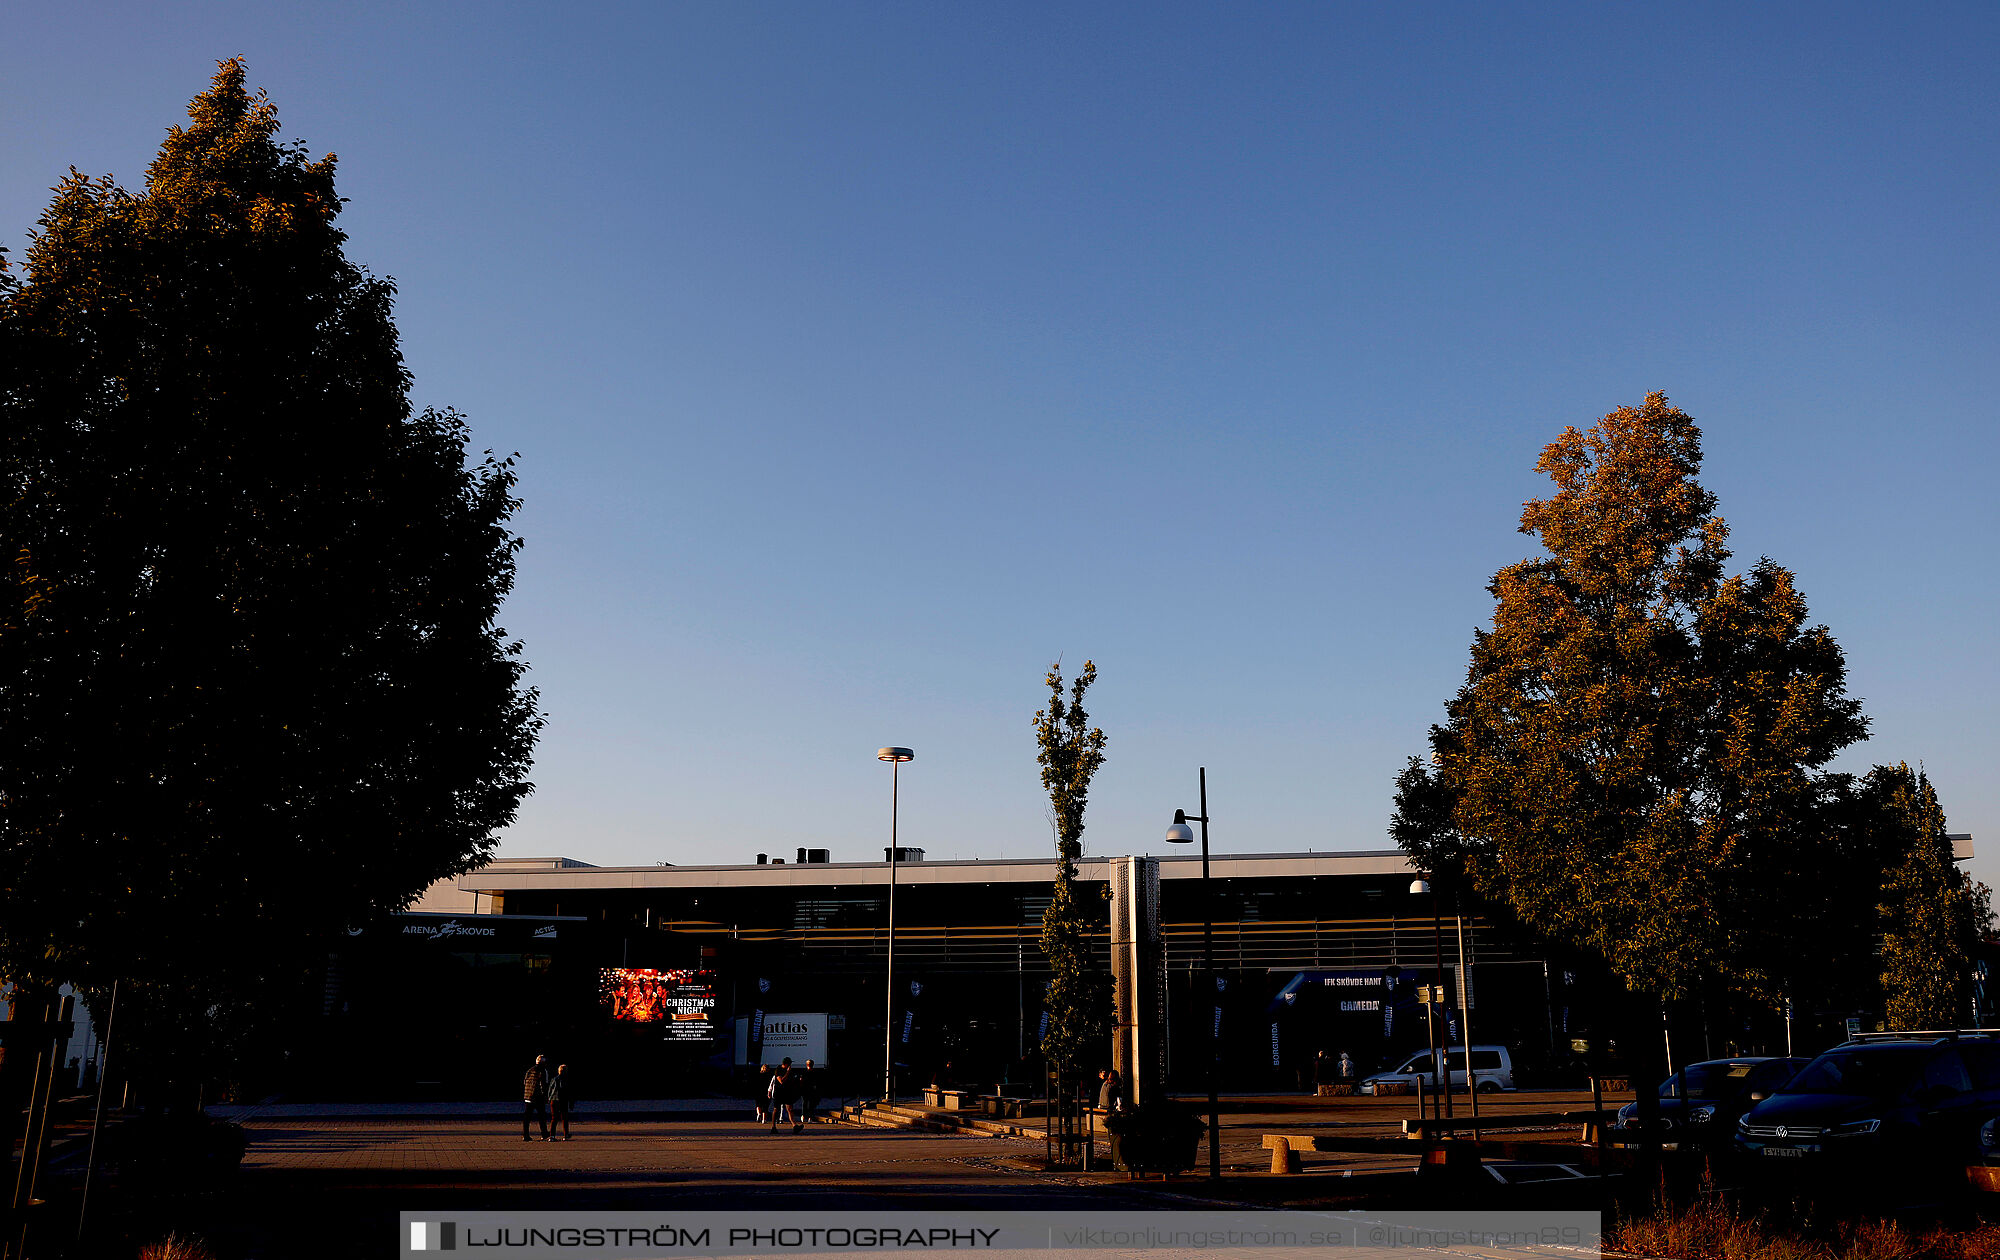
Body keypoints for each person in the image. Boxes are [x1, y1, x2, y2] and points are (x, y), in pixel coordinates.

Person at [521, 1054, 550, 1142]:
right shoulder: (543, 1071)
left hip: (528, 1096)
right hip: (537, 1097)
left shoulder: (530, 1070)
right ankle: (544, 1134)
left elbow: (525, 1082)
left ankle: (525, 1135)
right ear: (543, 1063)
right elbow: (543, 1085)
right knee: (542, 1116)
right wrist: (545, 1096)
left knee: (527, 1117)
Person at [768, 1059, 796, 1133]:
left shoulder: (789, 1070)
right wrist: (787, 1072)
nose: (790, 1065)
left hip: (787, 1093)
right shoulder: (778, 1070)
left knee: (790, 1109)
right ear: (786, 1064)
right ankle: (773, 1127)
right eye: (789, 1063)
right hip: (778, 1093)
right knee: (776, 1109)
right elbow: (781, 1081)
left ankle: (794, 1126)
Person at [549, 1063, 572, 1140]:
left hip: (554, 1100)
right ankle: (566, 1135)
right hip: (563, 1100)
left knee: (554, 1118)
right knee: (564, 1118)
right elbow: (568, 1092)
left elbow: (550, 1090)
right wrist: (571, 1102)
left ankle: (552, 1136)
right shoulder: (567, 1080)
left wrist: (549, 1099)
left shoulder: (554, 1079)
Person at [798, 1059, 821, 1126]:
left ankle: (803, 1116)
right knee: (810, 1104)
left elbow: (801, 1080)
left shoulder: (803, 1072)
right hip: (811, 1090)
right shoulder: (815, 1072)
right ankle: (809, 1117)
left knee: (805, 1103)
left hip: (805, 1090)